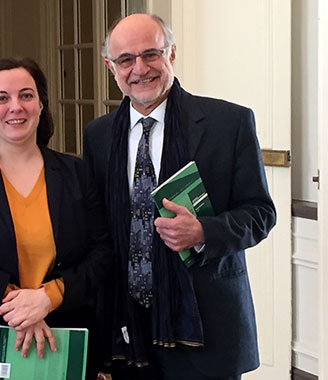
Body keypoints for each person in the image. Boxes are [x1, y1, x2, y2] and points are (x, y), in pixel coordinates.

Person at [83, 14, 277, 380]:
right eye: (126, 59)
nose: (139, 68)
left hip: (204, 327)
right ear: (110, 67)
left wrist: (204, 232)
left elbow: (261, 213)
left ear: (171, 54)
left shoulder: (228, 123)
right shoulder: (98, 135)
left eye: (151, 54)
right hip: (127, 325)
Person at [0, 57, 111, 379]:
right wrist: (19, 308)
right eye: (2, 98)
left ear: (41, 105)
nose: (16, 106)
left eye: (26, 95)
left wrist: (47, 299)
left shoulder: (76, 172)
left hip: (60, 339)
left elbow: (102, 253)